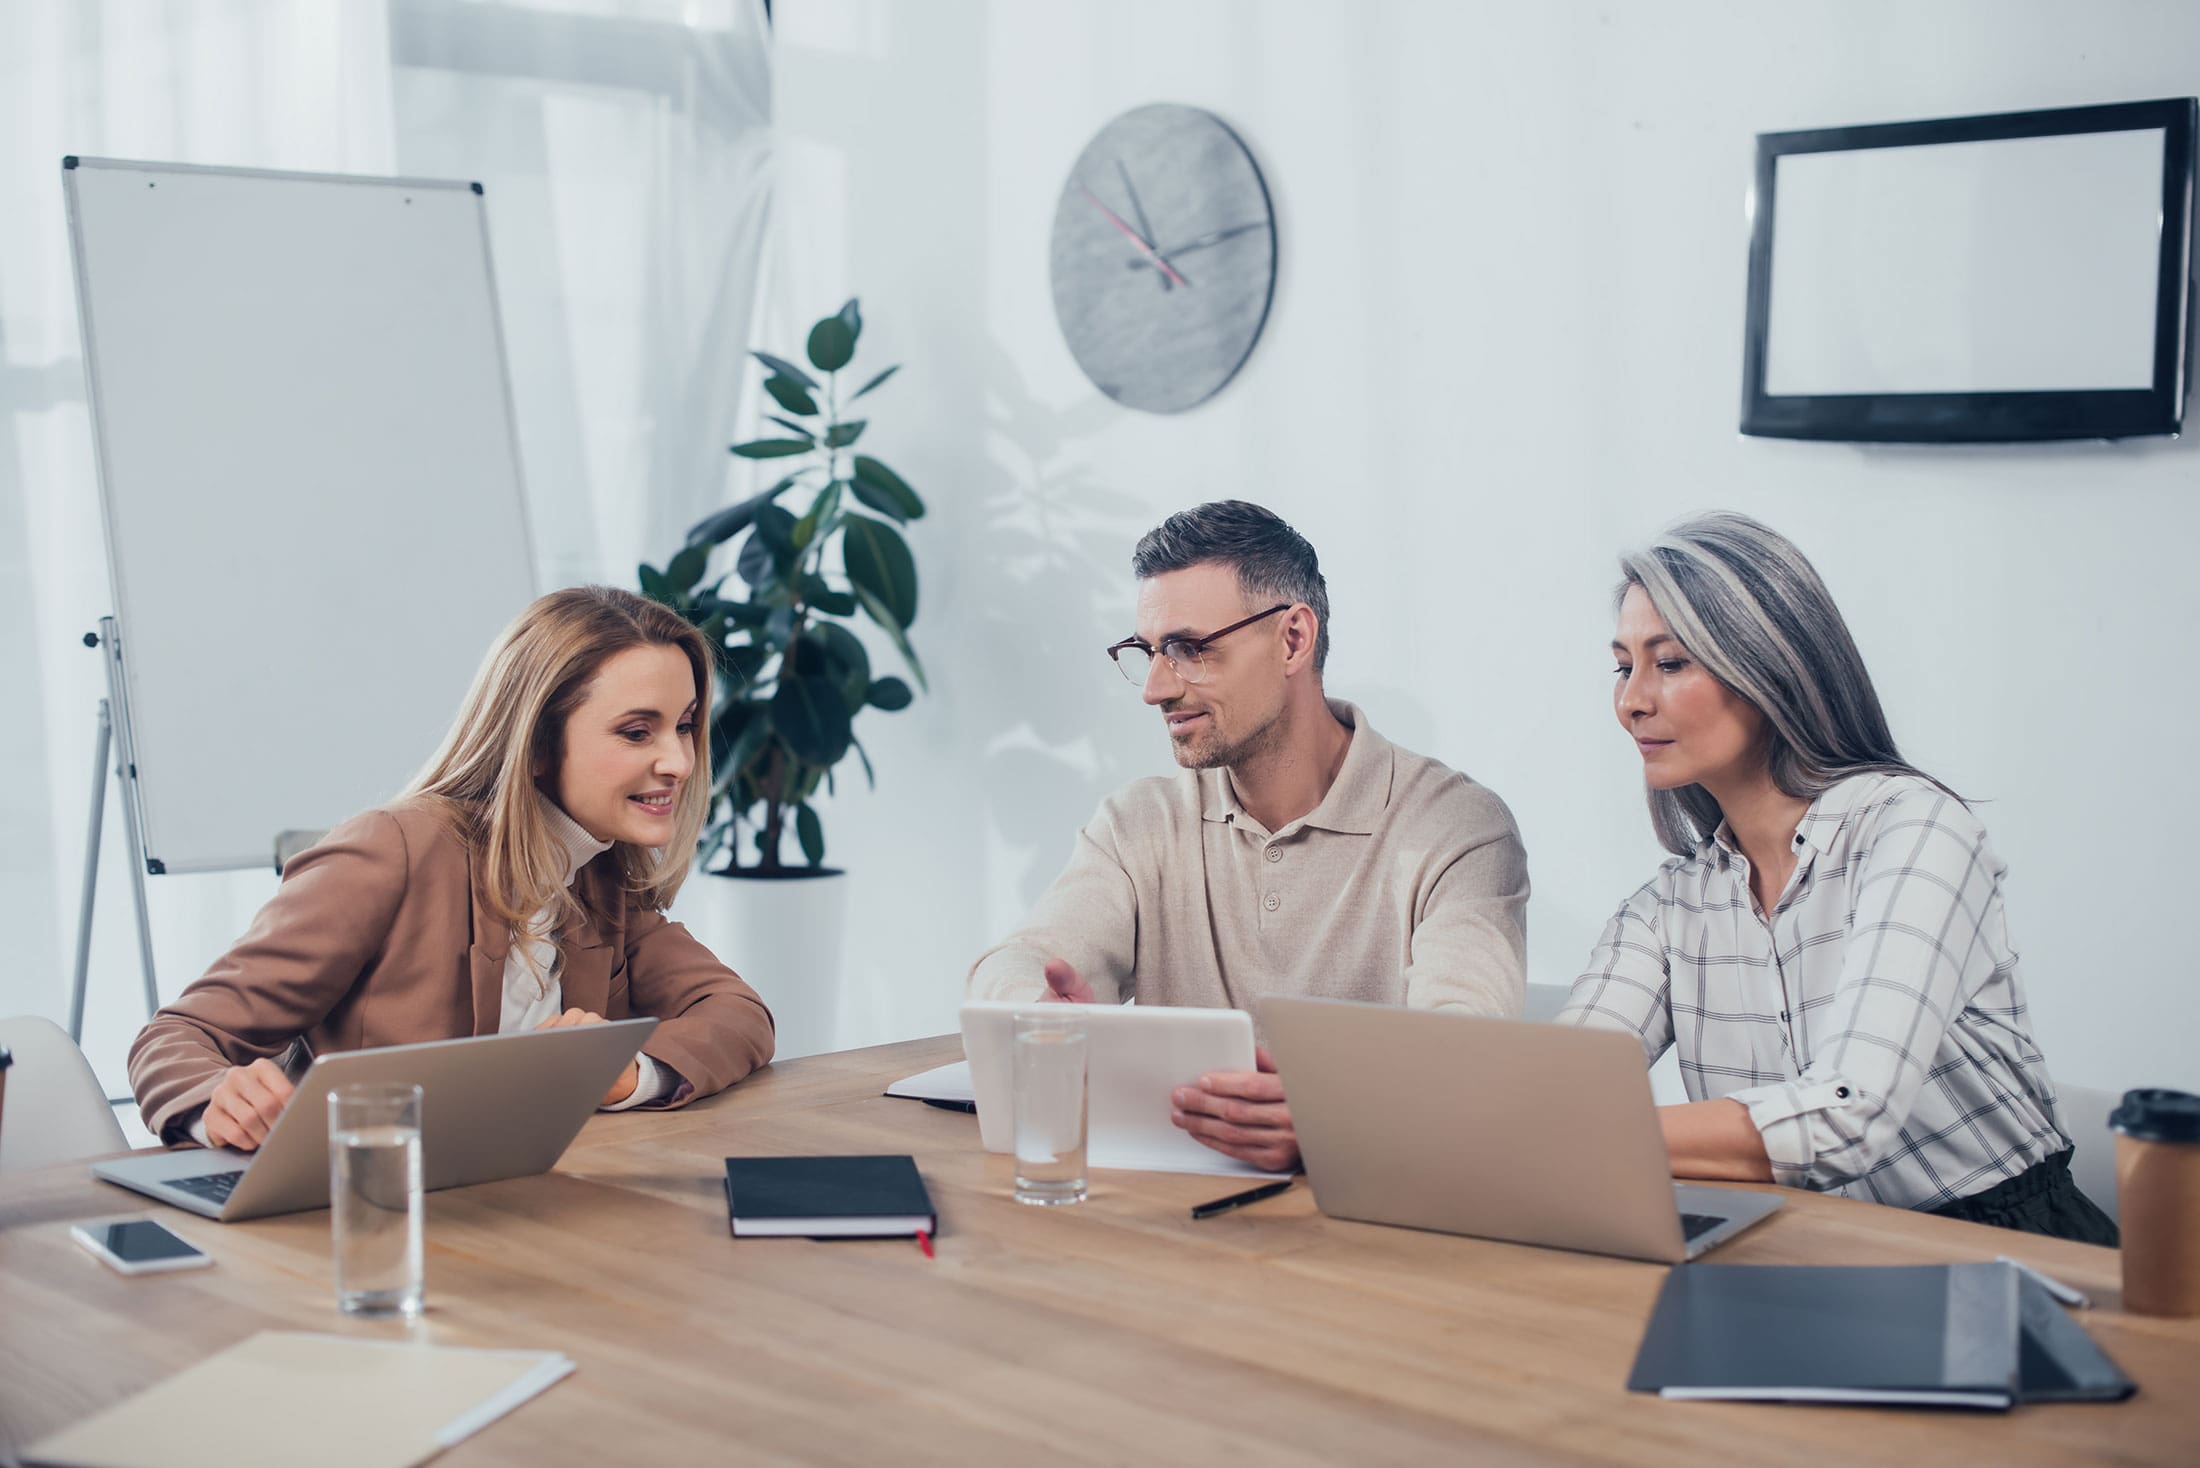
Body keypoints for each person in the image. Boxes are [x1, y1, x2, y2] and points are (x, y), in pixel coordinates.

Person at [1558, 512, 2114, 1243]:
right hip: (1805, 1246)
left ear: (1768, 667)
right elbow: (1557, 1093)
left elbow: (1848, 1114)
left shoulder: (1912, 829)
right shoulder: (1669, 907)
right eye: (1623, 665)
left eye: (1670, 663)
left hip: (2001, 1246)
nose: (1631, 701)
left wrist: (1582, 1137)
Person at [969, 501, 1528, 1172]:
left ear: (1292, 640)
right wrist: (1045, 1017)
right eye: (1147, 652)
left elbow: (1463, 1047)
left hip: (1370, 1236)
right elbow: (1011, 967)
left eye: (1189, 649)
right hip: (1178, 1223)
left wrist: (1332, 1115)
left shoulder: (1455, 829)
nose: (1154, 689)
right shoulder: (1138, 824)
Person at [129, 586, 775, 1150]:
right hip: (353, 1223)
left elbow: (737, 1013)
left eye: (685, 727)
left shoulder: (602, 878)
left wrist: (630, 1071)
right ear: (539, 742)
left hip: (519, 1218)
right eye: (638, 732)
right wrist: (217, 1100)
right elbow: (179, 1036)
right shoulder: (392, 851)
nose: (681, 763)